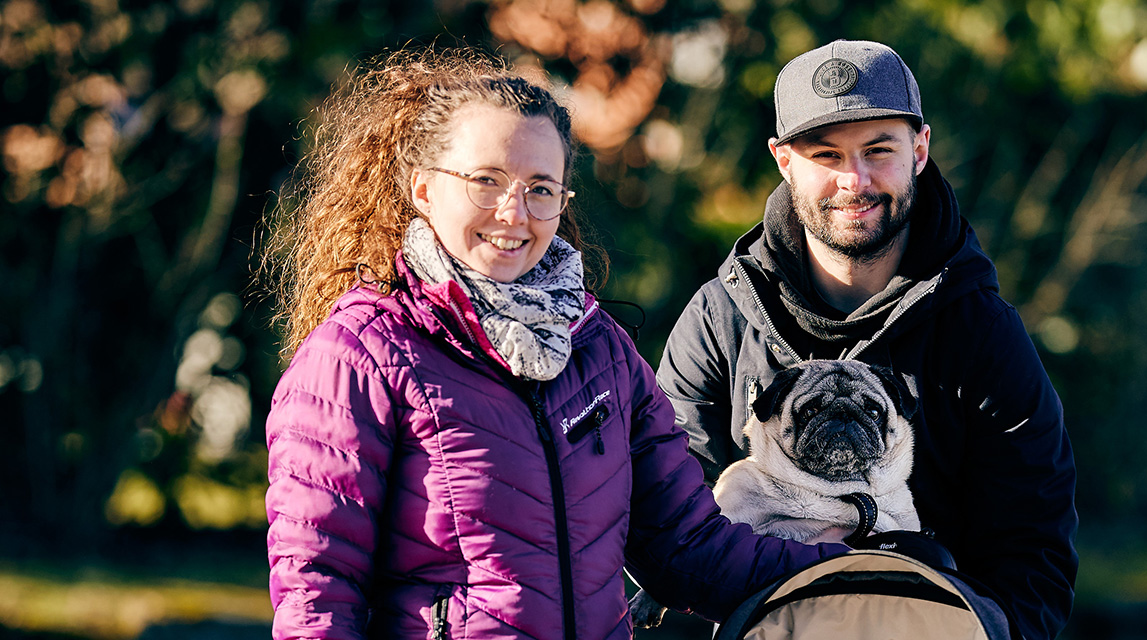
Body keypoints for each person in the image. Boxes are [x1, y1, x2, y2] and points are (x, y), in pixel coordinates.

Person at [261, 49, 843, 640]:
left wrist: (866, 570)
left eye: (540, 188)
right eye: (485, 181)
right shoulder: (360, 355)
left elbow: (690, 551)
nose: (514, 212)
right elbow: (317, 596)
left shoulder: (602, 354)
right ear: (423, 190)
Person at [657, 40, 1078, 640]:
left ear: (921, 149)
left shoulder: (980, 332)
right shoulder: (719, 320)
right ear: (782, 160)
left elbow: (1033, 548)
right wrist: (801, 575)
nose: (854, 180)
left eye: (878, 150)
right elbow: (665, 520)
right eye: (826, 155)